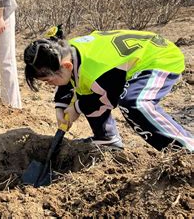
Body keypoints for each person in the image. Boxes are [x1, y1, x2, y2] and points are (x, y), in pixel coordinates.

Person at [23, 27, 194, 152]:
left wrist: (76, 108)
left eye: (48, 80)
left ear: (65, 65)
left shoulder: (96, 71)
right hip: (132, 60)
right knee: (85, 93)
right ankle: (107, 140)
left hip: (159, 58)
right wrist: (61, 106)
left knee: (135, 103)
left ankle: (185, 148)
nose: (48, 84)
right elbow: (70, 81)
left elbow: (105, 99)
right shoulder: (66, 50)